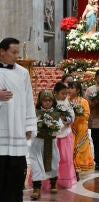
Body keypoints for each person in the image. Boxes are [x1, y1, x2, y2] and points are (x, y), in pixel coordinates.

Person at [0, 37, 37, 202]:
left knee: (16, 174)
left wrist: (29, 125)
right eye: (13, 52)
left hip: (17, 130)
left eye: (18, 53)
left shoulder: (23, 73)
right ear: (2, 52)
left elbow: (29, 100)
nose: (17, 56)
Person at [30, 90, 64, 200]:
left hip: (51, 142)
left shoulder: (56, 113)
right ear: (40, 101)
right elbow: (31, 126)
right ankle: (36, 188)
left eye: (49, 100)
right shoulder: (35, 112)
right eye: (45, 101)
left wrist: (54, 129)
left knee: (54, 161)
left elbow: (60, 127)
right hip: (38, 143)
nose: (47, 103)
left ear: (52, 101)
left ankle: (53, 184)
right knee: (36, 164)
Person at [68, 81, 94, 177]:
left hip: (81, 129)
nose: (69, 90)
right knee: (70, 148)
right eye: (68, 88)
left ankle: (78, 169)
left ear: (78, 90)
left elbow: (87, 115)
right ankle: (72, 168)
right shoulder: (66, 101)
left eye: (72, 88)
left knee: (80, 149)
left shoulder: (83, 101)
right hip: (70, 128)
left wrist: (79, 114)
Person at [53, 82, 77, 188]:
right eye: (62, 93)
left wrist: (65, 119)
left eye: (66, 94)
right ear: (55, 93)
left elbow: (72, 116)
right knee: (53, 159)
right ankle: (52, 182)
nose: (64, 96)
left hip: (66, 135)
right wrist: (57, 119)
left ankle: (64, 180)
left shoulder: (67, 103)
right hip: (53, 136)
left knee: (66, 158)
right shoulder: (51, 103)